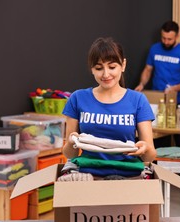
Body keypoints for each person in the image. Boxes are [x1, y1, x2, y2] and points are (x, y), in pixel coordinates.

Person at [62, 37, 157, 178]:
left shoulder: (137, 100)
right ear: (92, 69)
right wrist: (71, 142)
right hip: (88, 175)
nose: (106, 74)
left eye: (112, 67)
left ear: (123, 65)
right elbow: (70, 154)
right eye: (99, 68)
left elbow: (150, 156)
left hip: (128, 175)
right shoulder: (78, 98)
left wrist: (145, 149)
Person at [135, 20, 180, 104]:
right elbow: (148, 70)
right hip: (156, 97)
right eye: (163, 38)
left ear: (177, 36)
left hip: (176, 99)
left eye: (169, 39)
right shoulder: (154, 49)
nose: (166, 42)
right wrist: (142, 84)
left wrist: (174, 88)